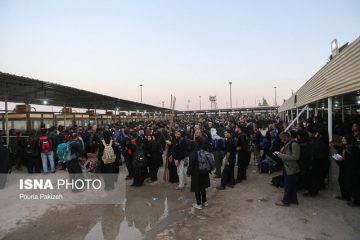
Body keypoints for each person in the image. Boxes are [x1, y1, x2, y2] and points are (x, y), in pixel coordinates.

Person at [275, 131, 300, 206]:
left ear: (287, 137)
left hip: (291, 168)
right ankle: (293, 200)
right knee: (291, 185)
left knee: (288, 186)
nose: (282, 140)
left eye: (283, 139)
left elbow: (296, 157)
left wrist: (282, 155)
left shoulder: (294, 144)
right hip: (288, 167)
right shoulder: (289, 143)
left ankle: (286, 201)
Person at [335, 135, 360, 206]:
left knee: (352, 183)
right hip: (344, 168)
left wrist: (345, 158)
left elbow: (355, 159)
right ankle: (345, 196)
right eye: (342, 138)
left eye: (344, 138)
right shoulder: (344, 147)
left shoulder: (354, 149)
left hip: (352, 169)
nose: (342, 139)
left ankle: (356, 200)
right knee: (342, 180)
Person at [187, 140, 210, 210]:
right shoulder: (201, 151)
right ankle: (204, 201)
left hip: (196, 173)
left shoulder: (192, 153)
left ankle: (199, 204)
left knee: (197, 188)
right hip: (204, 172)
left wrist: (188, 172)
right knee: (203, 187)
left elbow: (191, 165)